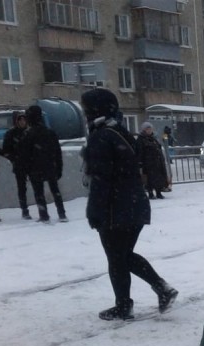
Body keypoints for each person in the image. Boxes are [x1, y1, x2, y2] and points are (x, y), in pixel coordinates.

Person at [80, 88, 178, 321]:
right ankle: (134, 300)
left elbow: (100, 179)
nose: (84, 114)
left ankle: (149, 293)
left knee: (118, 257)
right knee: (122, 256)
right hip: (133, 204)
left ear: (95, 110)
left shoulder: (101, 137)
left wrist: (94, 211)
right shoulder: (120, 132)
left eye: (86, 109)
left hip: (116, 208)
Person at [17, 105, 67, 222]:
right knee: (55, 190)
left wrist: (25, 169)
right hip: (50, 166)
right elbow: (57, 152)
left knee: (39, 192)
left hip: (35, 168)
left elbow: (24, 155)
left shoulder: (28, 134)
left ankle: (44, 215)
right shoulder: (50, 132)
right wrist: (59, 167)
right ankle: (62, 213)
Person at [1, 111, 32, 219]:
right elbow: (6, 150)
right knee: (22, 188)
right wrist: (14, 158)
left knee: (37, 186)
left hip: (31, 164)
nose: (23, 122)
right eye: (20, 120)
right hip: (19, 165)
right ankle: (24, 210)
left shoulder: (30, 132)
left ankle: (42, 210)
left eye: (24, 120)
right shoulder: (11, 134)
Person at [135, 122, 169, 199]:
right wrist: (140, 162)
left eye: (150, 128)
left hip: (157, 162)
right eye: (147, 129)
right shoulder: (141, 139)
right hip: (148, 163)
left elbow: (160, 146)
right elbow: (139, 151)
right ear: (144, 130)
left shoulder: (154, 138)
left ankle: (158, 192)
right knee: (149, 179)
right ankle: (150, 193)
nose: (149, 130)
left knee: (158, 178)